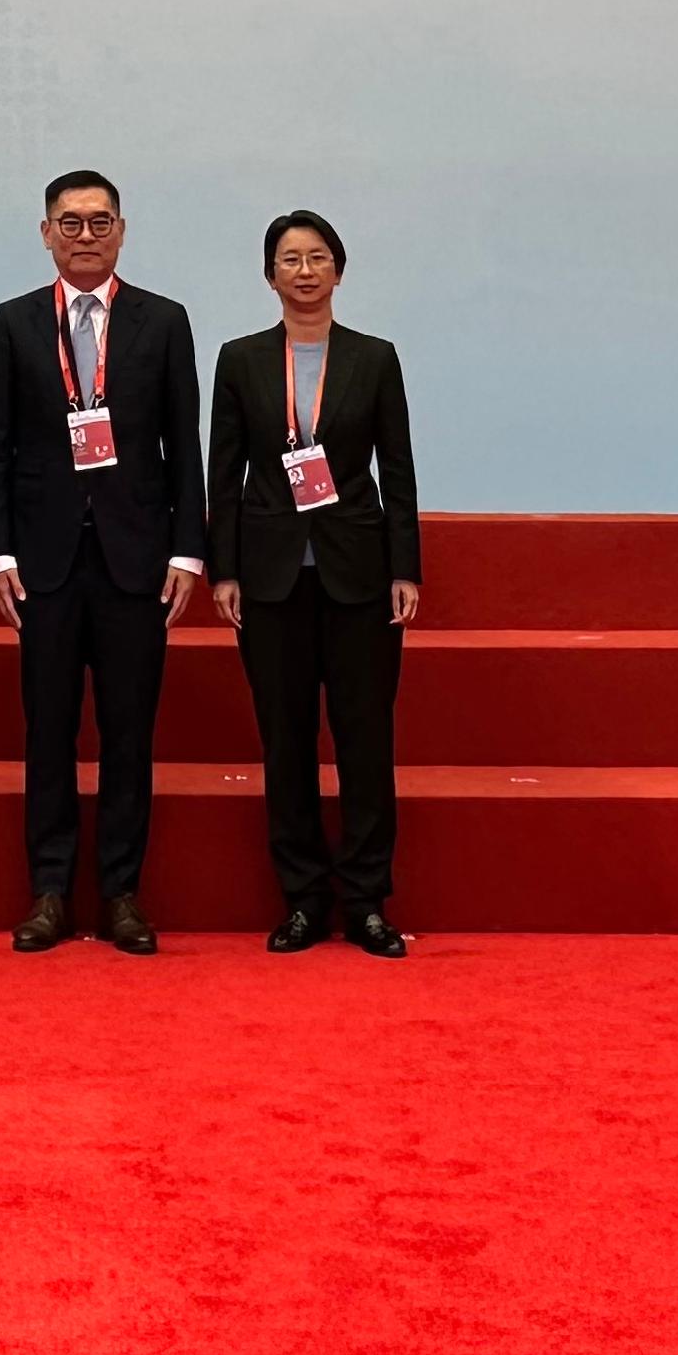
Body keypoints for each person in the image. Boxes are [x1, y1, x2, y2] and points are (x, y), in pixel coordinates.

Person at [0, 168, 204, 954]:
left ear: (122, 230)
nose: (84, 235)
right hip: (41, 563)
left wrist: (188, 550)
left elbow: (185, 450)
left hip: (136, 560)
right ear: (45, 233)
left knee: (128, 733)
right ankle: (48, 892)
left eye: (99, 221)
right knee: (47, 732)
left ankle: (120, 894)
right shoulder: (12, 324)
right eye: (68, 223)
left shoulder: (163, 322)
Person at [207, 208, 422, 958]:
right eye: (289, 259)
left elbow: (396, 467)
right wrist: (224, 568)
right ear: (270, 275)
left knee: (366, 743)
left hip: (359, 574)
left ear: (339, 269)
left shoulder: (373, 357)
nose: (304, 271)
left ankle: (365, 902)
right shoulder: (238, 361)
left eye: (318, 257)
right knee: (286, 743)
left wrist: (405, 567)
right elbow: (223, 472)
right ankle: (303, 900)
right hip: (269, 579)